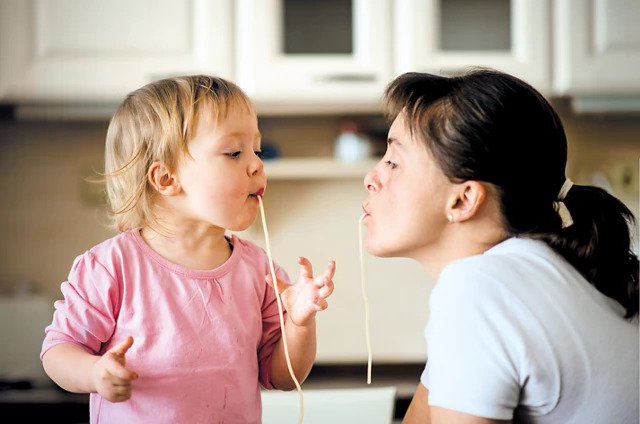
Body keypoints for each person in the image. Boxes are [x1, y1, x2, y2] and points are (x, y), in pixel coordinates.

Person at [40, 75, 335, 423]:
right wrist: (94, 373)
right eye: (234, 153)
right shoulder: (111, 266)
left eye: (256, 150)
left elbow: (284, 378)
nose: (257, 164)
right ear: (166, 179)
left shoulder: (260, 271)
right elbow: (57, 352)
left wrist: (299, 325)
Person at [361, 69, 639, 423]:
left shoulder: (479, 289)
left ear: (463, 200)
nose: (371, 178)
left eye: (393, 162)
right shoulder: (533, 271)